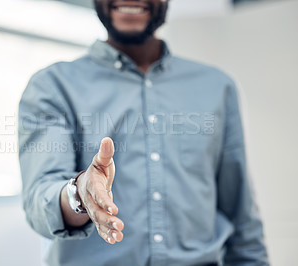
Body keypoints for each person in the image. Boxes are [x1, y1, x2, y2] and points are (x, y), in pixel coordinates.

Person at [18, 0, 269, 265]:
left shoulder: (219, 87)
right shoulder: (52, 86)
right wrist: (81, 193)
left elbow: (240, 213)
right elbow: (39, 202)